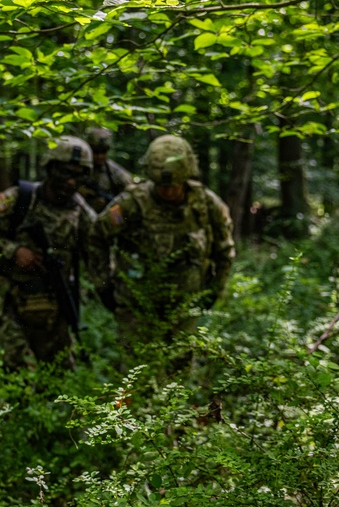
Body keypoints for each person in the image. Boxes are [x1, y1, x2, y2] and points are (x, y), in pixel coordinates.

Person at [89, 134, 234, 363]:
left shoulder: (206, 204)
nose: (167, 192)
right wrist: (103, 284)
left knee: (178, 374)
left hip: (183, 309)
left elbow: (224, 250)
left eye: (173, 186)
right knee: (136, 374)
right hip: (137, 308)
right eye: (161, 186)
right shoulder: (131, 203)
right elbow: (96, 237)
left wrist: (214, 291)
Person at [0, 136, 96, 370]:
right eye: (65, 173)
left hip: (53, 304)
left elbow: (96, 252)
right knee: (7, 363)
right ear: (50, 169)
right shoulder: (20, 199)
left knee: (58, 373)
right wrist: (14, 251)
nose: (71, 182)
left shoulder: (83, 214)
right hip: (11, 297)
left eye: (79, 175)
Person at [79, 127, 134, 212]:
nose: (99, 156)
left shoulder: (116, 172)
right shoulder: (79, 167)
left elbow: (131, 195)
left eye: (103, 152)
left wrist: (109, 204)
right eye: (96, 152)